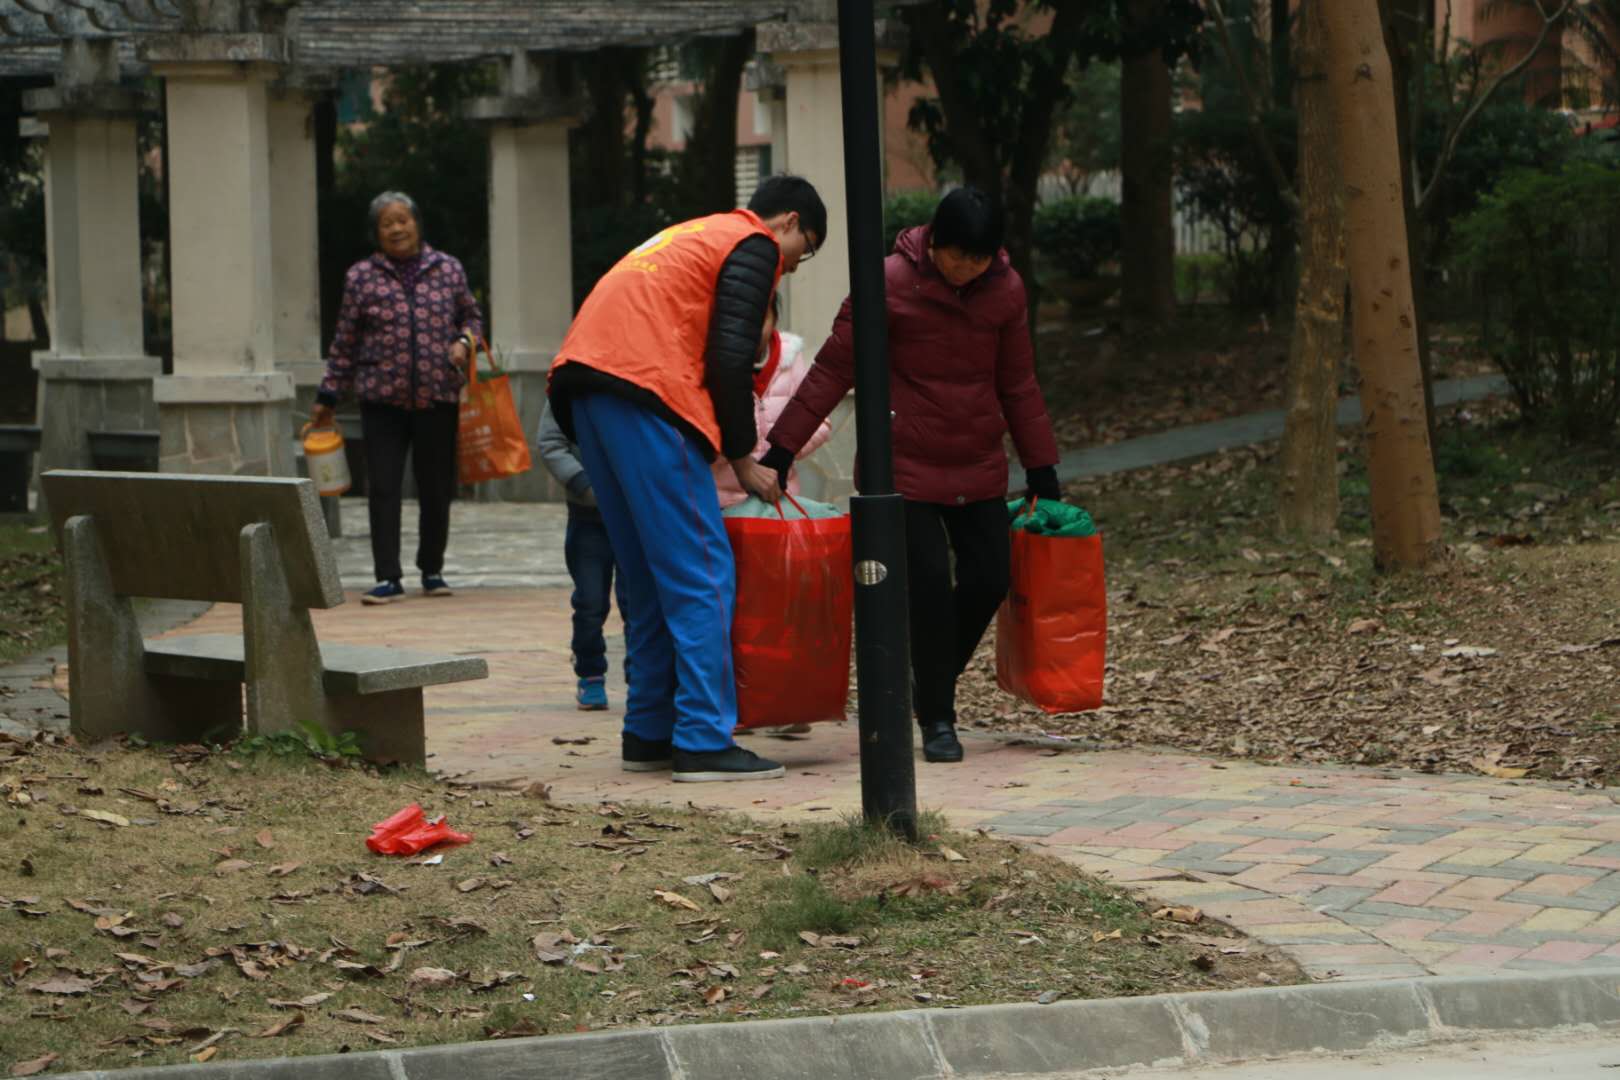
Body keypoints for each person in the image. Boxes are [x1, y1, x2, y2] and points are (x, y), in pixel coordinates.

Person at [761, 186, 1061, 765]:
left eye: (980, 258)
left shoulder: (1005, 291)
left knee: (988, 578)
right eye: (958, 256)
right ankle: (939, 719)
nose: (967, 269)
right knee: (925, 588)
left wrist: (1042, 465)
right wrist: (781, 448)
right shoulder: (889, 283)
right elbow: (830, 370)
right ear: (934, 243)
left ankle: (923, 685)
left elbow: (1018, 382)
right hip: (905, 465)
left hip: (977, 459)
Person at [548, 174, 826, 783]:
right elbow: (730, 357)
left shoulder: (692, 234)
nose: (793, 270)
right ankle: (702, 738)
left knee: (648, 575)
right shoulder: (751, 243)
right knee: (704, 570)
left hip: (587, 391)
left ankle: (648, 731)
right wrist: (743, 453)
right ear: (787, 222)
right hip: (648, 395)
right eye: (802, 253)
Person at [311, 191, 482, 605]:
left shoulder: (448, 269)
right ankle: (387, 576)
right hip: (381, 400)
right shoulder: (361, 277)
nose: (396, 228)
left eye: (403, 219)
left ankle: (432, 569)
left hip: (436, 395)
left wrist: (463, 340)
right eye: (387, 222)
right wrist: (328, 395)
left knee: (436, 487)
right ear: (376, 233)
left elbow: (471, 316)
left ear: (417, 223)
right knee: (383, 487)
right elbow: (345, 340)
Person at [536, 396, 628, 712]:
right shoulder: (569, 385)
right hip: (587, 518)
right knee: (590, 602)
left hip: (634, 516)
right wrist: (586, 486)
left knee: (637, 603)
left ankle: (642, 677)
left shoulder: (642, 377)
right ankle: (590, 673)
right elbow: (550, 443)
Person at [710, 292, 832, 509]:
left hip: (776, 503)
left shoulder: (791, 358)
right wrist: (740, 458)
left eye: (759, 319)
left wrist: (780, 451)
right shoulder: (708, 362)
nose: (750, 331)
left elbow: (820, 423)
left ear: (775, 319)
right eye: (740, 320)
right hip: (719, 504)